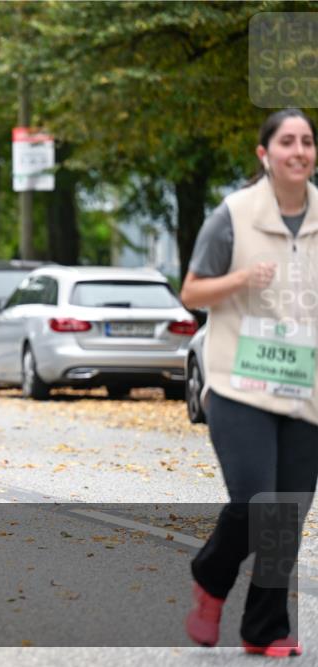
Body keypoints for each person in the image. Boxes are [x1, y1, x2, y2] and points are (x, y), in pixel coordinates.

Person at [180, 108, 317, 658]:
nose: (300, 150)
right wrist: (240, 279)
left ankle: (265, 628)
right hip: (240, 383)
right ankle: (212, 576)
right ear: (265, 154)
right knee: (258, 501)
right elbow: (192, 293)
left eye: (308, 141)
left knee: (287, 513)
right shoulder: (233, 214)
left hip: (304, 388)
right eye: (288, 141)